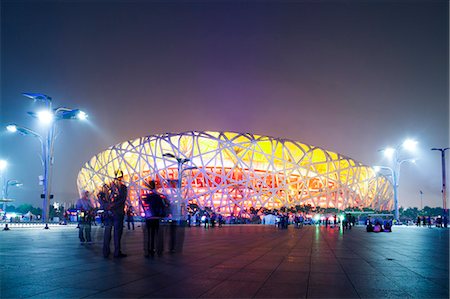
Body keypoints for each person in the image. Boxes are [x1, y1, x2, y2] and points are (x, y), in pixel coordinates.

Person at [103, 170, 128, 258]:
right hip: (118, 213)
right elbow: (122, 200)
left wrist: (107, 206)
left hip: (108, 213)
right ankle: (117, 252)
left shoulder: (107, 187)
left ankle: (106, 252)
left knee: (107, 232)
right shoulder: (123, 187)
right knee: (117, 233)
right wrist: (113, 205)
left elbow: (101, 198)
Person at [141, 180, 166, 257]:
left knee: (149, 234)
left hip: (149, 217)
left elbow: (144, 204)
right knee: (155, 234)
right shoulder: (158, 196)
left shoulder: (147, 197)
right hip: (156, 217)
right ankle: (156, 249)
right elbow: (162, 205)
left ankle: (149, 250)